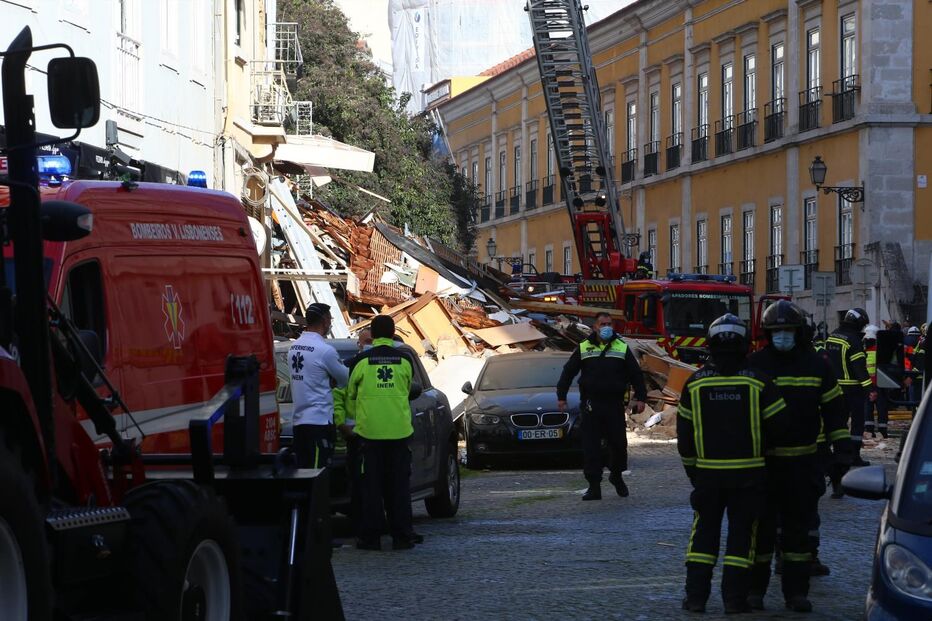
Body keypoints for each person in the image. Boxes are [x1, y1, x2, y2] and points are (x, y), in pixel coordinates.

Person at [677, 314, 787, 614]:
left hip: (707, 478)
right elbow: (781, 428)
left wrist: (694, 472)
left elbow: (684, 438)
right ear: (745, 344)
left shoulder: (694, 384)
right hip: (749, 477)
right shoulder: (760, 382)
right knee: (741, 539)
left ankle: (696, 598)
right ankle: (734, 601)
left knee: (703, 536)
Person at [745, 301, 850, 613]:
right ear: (768, 334)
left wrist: (842, 452)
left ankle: (796, 594)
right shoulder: (754, 364)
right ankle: (755, 592)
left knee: (798, 536)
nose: (782, 336)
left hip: (803, 464)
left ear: (798, 332)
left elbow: (834, 410)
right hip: (764, 465)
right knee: (760, 534)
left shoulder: (816, 365)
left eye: (788, 330)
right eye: (777, 331)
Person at [346, 315, 421, 551]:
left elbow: (350, 394)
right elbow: (408, 389)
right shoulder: (405, 359)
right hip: (399, 433)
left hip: (369, 434)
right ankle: (402, 537)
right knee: (399, 488)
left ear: (373, 334)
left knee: (371, 488)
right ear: (392, 333)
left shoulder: (360, 361)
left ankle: (371, 538)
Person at [557, 312, 647, 500]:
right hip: (591, 405)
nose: (606, 327)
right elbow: (568, 372)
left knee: (619, 445)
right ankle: (594, 486)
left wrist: (641, 397)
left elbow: (635, 374)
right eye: (602, 324)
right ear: (595, 327)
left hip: (614, 404)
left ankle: (616, 475)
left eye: (609, 324)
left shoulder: (621, 347)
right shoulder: (584, 347)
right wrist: (561, 396)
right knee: (591, 447)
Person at [289, 303, 349, 469]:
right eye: (330, 319)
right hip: (319, 421)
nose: (330, 323)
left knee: (302, 470)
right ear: (324, 320)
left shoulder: (293, 347)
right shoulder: (325, 351)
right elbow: (345, 379)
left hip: (299, 421)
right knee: (317, 473)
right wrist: (331, 380)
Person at [333, 328, 372, 537]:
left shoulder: (381, 364)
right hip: (354, 437)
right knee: (359, 484)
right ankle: (362, 527)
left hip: (376, 434)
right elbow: (338, 397)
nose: (366, 345)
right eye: (364, 341)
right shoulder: (349, 368)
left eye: (370, 341)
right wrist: (342, 424)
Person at [825, 308, 874, 472]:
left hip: (834, 388)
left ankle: (831, 453)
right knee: (857, 424)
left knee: (837, 423)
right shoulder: (853, 340)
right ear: (858, 322)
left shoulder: (832, 336)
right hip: (852, 389)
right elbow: (859, 368)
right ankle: (854, 456)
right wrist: (870, 389)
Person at [863, 325, 890, 439]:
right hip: (880, 383)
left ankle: (869, 430)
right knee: (881, 407)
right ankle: (882, 431)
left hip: (867, 383)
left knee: (868, 407)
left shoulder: (862, 350)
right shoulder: (881, 350)